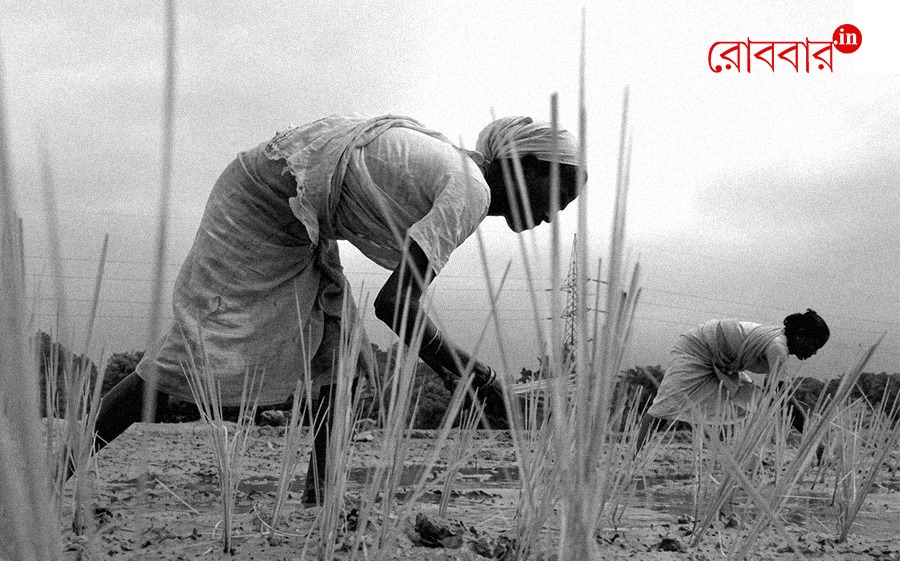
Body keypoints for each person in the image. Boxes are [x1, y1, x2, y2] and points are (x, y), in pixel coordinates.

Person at [84, 113, 585, 505]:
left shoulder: (459, 173)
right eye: (559, 195)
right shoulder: (470, 189)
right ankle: (54, 474)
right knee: (192, 351)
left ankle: (321, 497)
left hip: (296, 205)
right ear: (528, 166)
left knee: (335, 348)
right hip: (264, 201)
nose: (552, 215)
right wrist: (474, 378)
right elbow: (395, 306)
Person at [635, 310, 830, 451]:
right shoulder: (777, 347)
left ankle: (722, 453)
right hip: (696, 349)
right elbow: (783, 400)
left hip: (722, 363)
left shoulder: (778, 345)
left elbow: (777, 398)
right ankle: (634, 456)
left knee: (747, 400)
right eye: (813, 345)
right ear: (800, 335)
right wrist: (814, 441)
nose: (813, 352)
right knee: (665, 406)